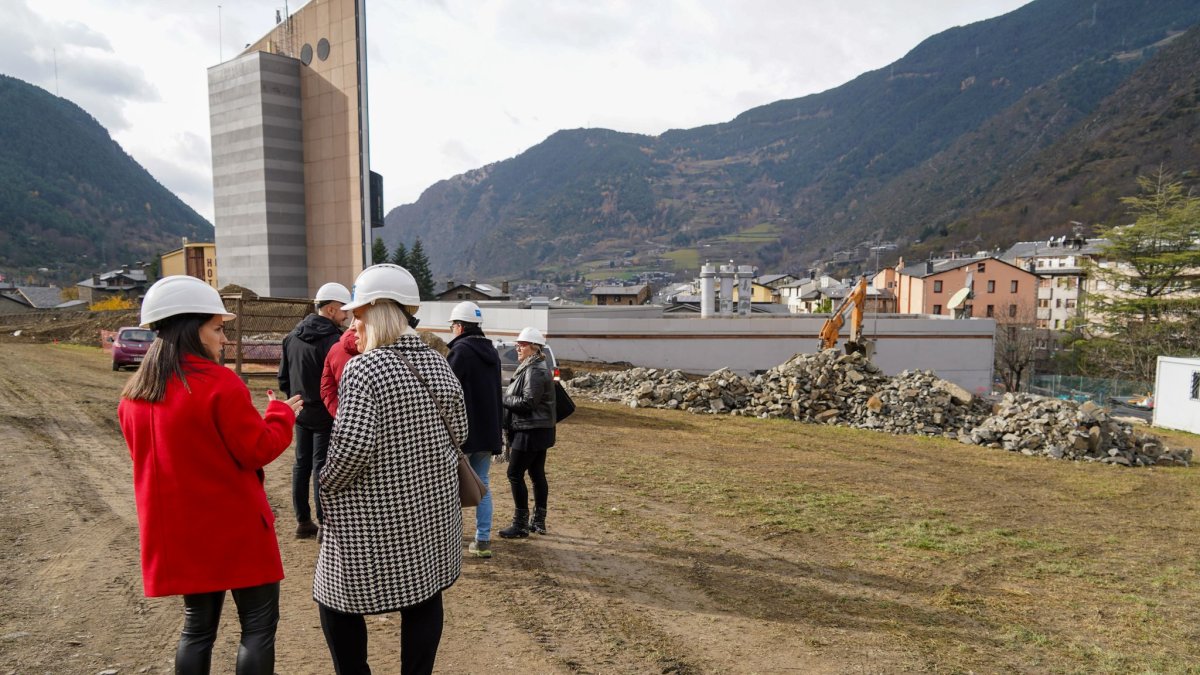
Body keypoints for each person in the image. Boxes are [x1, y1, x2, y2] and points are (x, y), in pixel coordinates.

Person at [117, 275, 303, 675]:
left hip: (181, 533)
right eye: (218, 329)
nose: (224, 339)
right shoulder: (220, 384)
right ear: (191, 329)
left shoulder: (134, 394)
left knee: (197, 630)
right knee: (257, 627)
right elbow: (256, 450)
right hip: (236, 529)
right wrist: (281, 415)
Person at [314, 263, 465, 675]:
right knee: (424, 596)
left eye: (358, 315)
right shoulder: (438, 363)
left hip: (373, 519)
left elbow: (352, 448)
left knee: (336, 600)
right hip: (431, 513)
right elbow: (462, 431)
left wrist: (324, 481)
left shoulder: (366, 368)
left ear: (378, 312)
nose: (352, 324)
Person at [278, 282, 350, 539]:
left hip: (299, 410)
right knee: (322, 466)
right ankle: (324, 524)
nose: (346, 316)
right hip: (325, 413)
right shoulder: (334, 341)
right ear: (331, 309)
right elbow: (339, 380)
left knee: (301, 465)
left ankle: (303, 521)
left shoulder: (291, 336)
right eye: (343, 310)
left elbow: (283, 378)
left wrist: (294, 401)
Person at [446, 301, 503, 558]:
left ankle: (450, 541)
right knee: (483, 484)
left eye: (452, 326)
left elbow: (447, 392)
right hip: (488, 431)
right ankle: (482, 540)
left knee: (450, 486)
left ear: (459, 326)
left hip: (463, 433)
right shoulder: (492, 353)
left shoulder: (460, 352)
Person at [498, 326, 556, 539]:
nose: (517, 347)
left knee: (514, 473)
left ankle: (520, 524)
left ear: (533, 347)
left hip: (530, 431)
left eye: (521, 344)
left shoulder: (534, 370)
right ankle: (538, 521)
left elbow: (528, 402)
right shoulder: (536, 366)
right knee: (536, 473)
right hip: (537, 429)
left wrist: (503, 398)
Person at [320, 322, 360, 418]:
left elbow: (326, 386)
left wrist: (338, 412)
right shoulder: (383, 351)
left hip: (344, 414)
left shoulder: (335, 348)